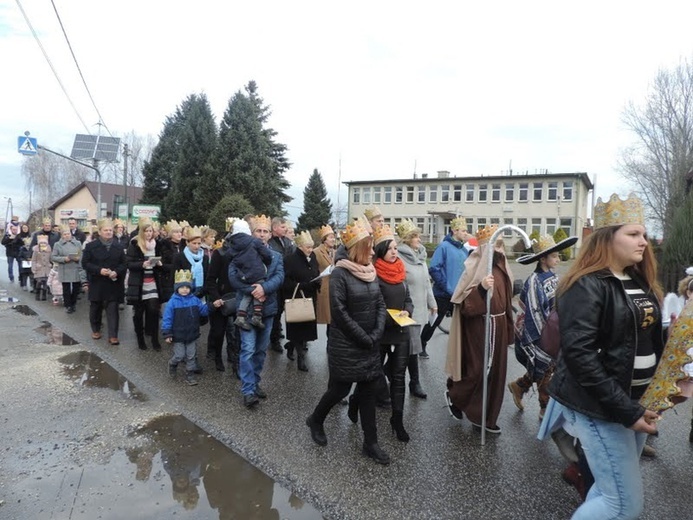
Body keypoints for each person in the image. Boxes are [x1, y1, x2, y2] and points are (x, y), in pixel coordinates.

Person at [538, 193, 663, 520]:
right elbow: (581, 358)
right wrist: (626, 410)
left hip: (635, 403)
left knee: (608, 491)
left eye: (644, 235)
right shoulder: (586, 285)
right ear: (608, 238)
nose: (644, 243)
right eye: (634, 234)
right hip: (604, 408)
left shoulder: (637, 280)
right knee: (623, 504)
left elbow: (648, 339)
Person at [305, 218, 389, 464]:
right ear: (358, 248)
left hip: (369, 343)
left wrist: (376, 332)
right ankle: (316, 419)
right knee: (339, 389)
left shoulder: (370, 271)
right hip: (348, 345)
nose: (373, 251)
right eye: (369, 246)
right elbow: (339, 312)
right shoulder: (340, 273)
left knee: (368, 392)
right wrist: (365, 337)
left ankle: (370, 443)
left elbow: (380, 303)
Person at [445, 226, 514, 434]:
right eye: (496, 245)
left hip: (499, 326)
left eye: (502, 245)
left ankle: (486, 417)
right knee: (477, 371)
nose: (500, 250)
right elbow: (465, 306)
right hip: (479, 327)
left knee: (496, 375)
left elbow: (507, 303)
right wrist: (481, 288)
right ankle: (455, 396)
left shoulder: (502, 269)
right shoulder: (476, 269)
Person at [508, 233, 577, 419]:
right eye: (554, 256)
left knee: (549, 366)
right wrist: (544, 340)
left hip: (553, 330)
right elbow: (535, 312)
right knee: (544, 366)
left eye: (558, 255)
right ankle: (544, 408)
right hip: (537, 333)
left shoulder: (553, 277)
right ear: (543, 259)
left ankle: (520, 386)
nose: (558, 259)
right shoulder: (533, 282)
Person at [228, 214, 284, 409]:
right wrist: (252, 289)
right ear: (252, 233)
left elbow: (279, 277)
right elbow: (233, 277)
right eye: (258, 231)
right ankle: (248, 390)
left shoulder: (276, 256)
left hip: (267, 310)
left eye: (265, 231)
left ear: (270, 235)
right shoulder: (240, 251)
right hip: (246, 310)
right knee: (248, 349)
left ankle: (256, 381)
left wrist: (264, 288)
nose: (262, 234)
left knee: (260, 350)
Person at [370, 224, 413, 442]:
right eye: (390, 249)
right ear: (380, 252)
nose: (394, 252)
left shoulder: (401, 270)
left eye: (395, 248)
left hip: (402, 331)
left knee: (399, 377)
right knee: (373, 373)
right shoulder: (374, 274)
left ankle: (397, 420)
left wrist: (408, 311)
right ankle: (358, 402)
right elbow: (374, 305)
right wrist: (389, 317)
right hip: (382, 333)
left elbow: (408, 298)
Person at [420, 216, 475, 358]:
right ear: (454, 231)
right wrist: (446, 287)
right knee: (434, 322)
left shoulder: (463, 250)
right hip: (443, 294)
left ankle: (463, 349)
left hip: (459, 294)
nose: (465, 233)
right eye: (463, 230)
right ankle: (422, 344)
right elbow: (434, 269)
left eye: (466, 230)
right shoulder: (443, 247)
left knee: (463, 323)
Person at [395, 219, 436, 399]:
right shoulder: (400, 257)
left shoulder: (420, 256)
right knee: (413, 347)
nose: (419, 239)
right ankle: (414, 382)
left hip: (420, 310)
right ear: (407, 239)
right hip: (407, 310)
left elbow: (426, 283)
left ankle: (390, 374)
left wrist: (432, 303)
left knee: (410, 347)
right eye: (416, 236)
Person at [81, 218, 127, 345]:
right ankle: (96, 329)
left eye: (110, 230)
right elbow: (85, 263)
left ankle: (113, 335)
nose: (108, 232)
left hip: (113, 283)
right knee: (96, 307)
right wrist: (99, 270)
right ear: (100, 232)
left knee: (113, 309)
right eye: (106, 230)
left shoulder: (118, 246)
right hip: (97, 282)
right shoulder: (91, 246)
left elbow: (124, 264)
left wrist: (116, 272)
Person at [162, 269, 210, 386]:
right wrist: (167, 333)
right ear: (177, 288)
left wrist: (211, 305)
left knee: (191, 355)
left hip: (191, 333)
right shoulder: (172, 303)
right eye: (182, 287)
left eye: (187, 287)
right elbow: (167, 319)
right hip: (178, 335)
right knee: (179, 355)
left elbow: (203, 312)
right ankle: (173, 364)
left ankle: (190, 375)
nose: (185, 290)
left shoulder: (195, 300)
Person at [282, 230, 321, 371]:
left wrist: (318, 281)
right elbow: (286, 282)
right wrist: (304, 285)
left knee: (306, 330)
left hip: (310, 298)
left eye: (311, 247)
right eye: (307, 247)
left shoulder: (313, 256)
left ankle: (291, 345)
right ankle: (301, 359)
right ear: (300, 246)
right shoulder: (290, 260)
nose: (310, 250)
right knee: (297, 328)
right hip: (296, 298)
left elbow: (315, 272)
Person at [227, 219, 273, 331]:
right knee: (258, 290)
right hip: (257, 272)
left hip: (243, 274)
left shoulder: (232, 245)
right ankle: (257, 315)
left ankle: (240, 316)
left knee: (247, 295)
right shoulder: (254, 241)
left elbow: (229, 257)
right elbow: (267, 254)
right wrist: (267, 260)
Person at [204, 225, 238, 374]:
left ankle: (235, 360)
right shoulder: (220, 253)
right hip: (222, 298)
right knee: (218, 332)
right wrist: (216, 298)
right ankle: (217, 356)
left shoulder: (245, 254)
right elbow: (211, 280)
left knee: (237, 333)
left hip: (239, 297)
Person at [126, 221, 164, 351]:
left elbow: (163, 261)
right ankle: (140, 340)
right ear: (142, 232)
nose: (149, 233)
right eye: (147, 231)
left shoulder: (157, 245)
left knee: (154, 311)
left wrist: (159, 264)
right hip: (139, 284)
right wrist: (142, 264)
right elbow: (129, 263)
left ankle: (155, 340)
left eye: (151, 231)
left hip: (153, 282)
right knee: (138, 313)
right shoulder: (135, 244)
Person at [267, 216, 294, 353]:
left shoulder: (287, 241)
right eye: (283, 227)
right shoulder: (270, 243)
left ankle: (291, 339)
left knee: (287, 310)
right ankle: (274, 340)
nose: (285, 229)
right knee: (276, 312)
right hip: (275, 282)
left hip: (287, 281)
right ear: (275, 228)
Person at [51, 227, 83, 313]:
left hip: (75, 268)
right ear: (62, 236)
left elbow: (82, 255)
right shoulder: (57, 244)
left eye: (68, 234)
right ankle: (68, 305)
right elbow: (53, 257)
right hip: (64, 268)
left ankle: (73, 303)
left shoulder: (78, 243)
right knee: (66, 289)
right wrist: (64, 259)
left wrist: (78, 258)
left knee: (76, 288)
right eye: (65, 234)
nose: (67, 235)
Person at [172, 226, 208, 298]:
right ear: (187, 243)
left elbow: (207, 276)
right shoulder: (179, 257)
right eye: (194, 243)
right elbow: (174, 277)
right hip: (184, 294)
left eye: (199, 243)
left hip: (202, 293)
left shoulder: (205, 258)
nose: (197, 246)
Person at [314, 225, 336, 337]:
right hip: (323, 288)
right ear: (324, 239)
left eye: (334, 237)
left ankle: (330, 342)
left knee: (332, 319)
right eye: (331, 237)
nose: (333, 239)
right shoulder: (317, 252)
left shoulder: (334, 252)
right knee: (326, 317)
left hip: (334, 289)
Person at [160, 220, 187, 303]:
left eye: (180, 232)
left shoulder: (184, 245)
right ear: (171, 234)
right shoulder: (164, 245)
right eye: (176, 232)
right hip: (168, 279)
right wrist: (176, 267)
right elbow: (162, 265)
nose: (179, 234)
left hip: (183, 278)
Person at [31, 235, 53, 301]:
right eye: (41, 243)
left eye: (44, 243)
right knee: (39, 282)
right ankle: (37, 294)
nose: (43, 244)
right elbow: (33, 260)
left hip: (47, 269)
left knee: (45, 283)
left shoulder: (49, 251)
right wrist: (34, 267)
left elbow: (51, 259)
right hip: (39, 269)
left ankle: (44, 295)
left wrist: (51, 264)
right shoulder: (36, 251)